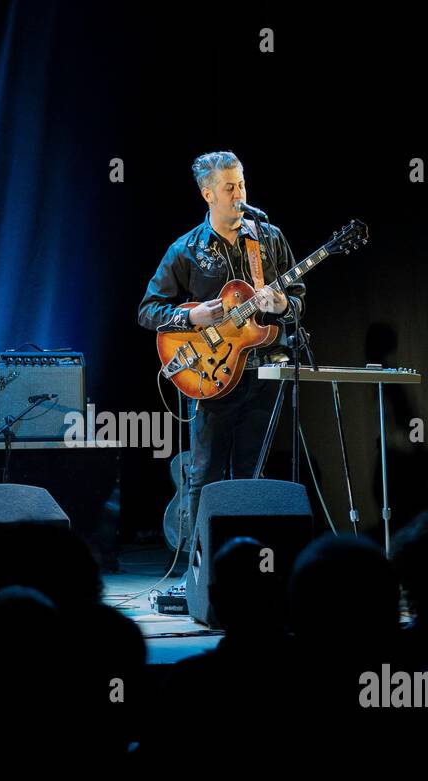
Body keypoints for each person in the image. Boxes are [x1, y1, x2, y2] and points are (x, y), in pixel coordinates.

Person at [137, 151, 306, 576]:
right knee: (204, 476)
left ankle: (246, 572)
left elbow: (299, 300)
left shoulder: (267, 238)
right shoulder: (186, 249)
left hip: (263, 371)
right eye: (229, 187)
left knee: (251, 475)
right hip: (210, 377)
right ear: (207, 193)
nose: (239, 194)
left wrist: (284, 302)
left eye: (242, 184)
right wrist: (189, 316)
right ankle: (199, 572)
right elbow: (147, 310)